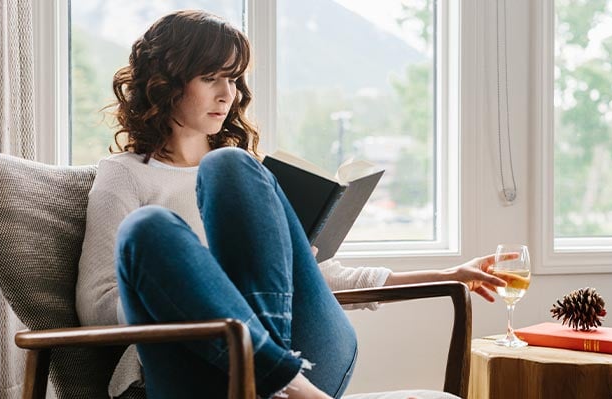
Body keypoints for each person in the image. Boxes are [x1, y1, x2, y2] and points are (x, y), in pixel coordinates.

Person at [75, 9, 505, 399]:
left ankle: (273, 377)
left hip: (308, 347)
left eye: (234, 78)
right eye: (211, 78)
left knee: (230, 165)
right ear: (165, 81)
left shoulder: (244, 178)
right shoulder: (126, 175)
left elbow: (324, 278)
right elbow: (96, 308)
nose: (228, 94)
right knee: (148, 228)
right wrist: (205, 279)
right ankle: (280, 381)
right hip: (199, 366)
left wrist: (449, 275)